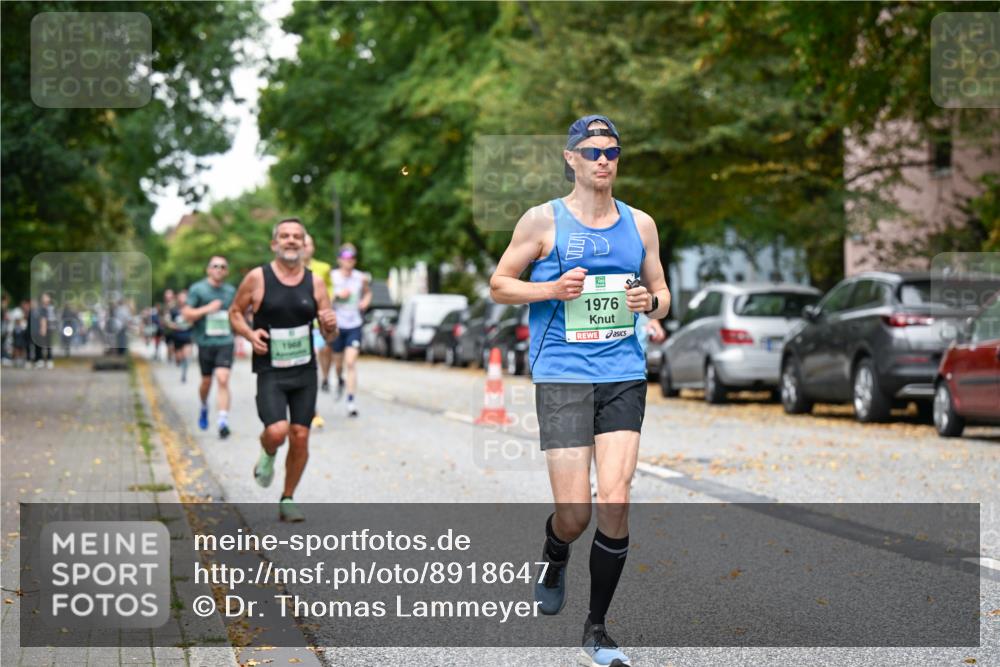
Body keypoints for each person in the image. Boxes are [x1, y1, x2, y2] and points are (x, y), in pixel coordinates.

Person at [490, 115, 670, 667]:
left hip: (621, 371)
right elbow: (500, 284)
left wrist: (651, 305)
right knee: (575, 514)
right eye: (591, 151)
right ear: (570, 158)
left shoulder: (640, 225)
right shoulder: (543, 220)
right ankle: (555, 547)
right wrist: (549, 287)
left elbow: (661, 291)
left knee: (615, 497)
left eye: (611, 151)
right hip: (563, 373)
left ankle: (597, 629)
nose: (602, 160)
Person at [229, 217, 337, 522]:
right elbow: (235, 312)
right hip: (270, 370)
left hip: (304, 370)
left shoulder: (315, 282)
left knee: (300, 435)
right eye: (285, 236)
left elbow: (329, 332)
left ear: (304, 244)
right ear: (274, 243)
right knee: (277, 432)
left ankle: (288, 497)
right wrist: (250, 334)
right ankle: (268, 451)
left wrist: (331, 327)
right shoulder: (257, 278)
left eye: (297, 237)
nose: (291, 241)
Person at [183, 256, 237, 439]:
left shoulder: (230, 291)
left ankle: (223, 421)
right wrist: (207, 309)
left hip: (225, 341)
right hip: (205, 342)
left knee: (223, 378)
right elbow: (187, 314)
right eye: (215, 266)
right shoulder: (198, 289)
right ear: (208, 270)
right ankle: (204, 405)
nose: (219, 269)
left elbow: (237, 313)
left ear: (226, 271)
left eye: (223, 267)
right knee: (206, 382)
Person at [330, 243, 371, 417]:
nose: (349, 262)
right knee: (338, 363)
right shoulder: (332, 277)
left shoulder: (360, 277)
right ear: (340, 260)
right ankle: (339, 378)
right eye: (346, 258)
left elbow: (368, 293)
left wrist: (365, 302)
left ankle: (351, 401)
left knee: (351, 362)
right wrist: (338, 296)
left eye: (352, 259)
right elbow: (323, 295)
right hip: (337, 325)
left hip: (354, 324)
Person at [302, 234, 333, 429]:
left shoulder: (323, 268)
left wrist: (327, 306)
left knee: (319, 354)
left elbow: (330, 289)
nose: (305, 247)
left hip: (317, 325)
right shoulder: (288, 271)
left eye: (308, 244)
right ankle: (311, 408)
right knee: (309, 361)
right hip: (298, 326)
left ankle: (325, 377)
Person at [167, 290, 193, 382]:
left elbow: (193, 321)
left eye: (184, 297)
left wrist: (190, 324)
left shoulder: (190, 309)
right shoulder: (174, 310)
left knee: (187, 356)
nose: (183, 299)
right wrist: (174, 326)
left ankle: (184, 374)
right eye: (181, 297)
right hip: (177, 336)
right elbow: (168, 321)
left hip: (187, 335)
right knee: (179, 358)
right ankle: (179, 363)